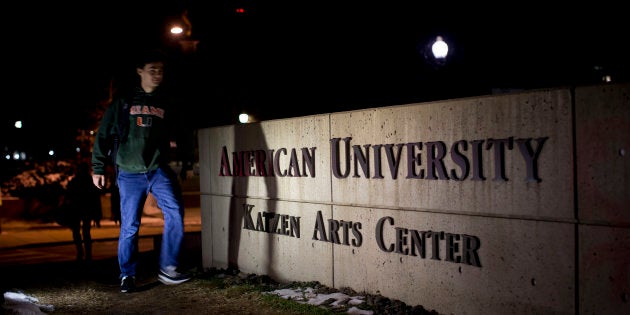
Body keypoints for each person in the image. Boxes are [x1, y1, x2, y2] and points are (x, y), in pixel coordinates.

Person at [91, 49, 194, 293]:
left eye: (161, 70)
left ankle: (168, 268)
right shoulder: (123, 103)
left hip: (157, 169)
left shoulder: (166, 102)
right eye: (152, 70)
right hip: (129, 172)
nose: (158, 74)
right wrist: (98, 167)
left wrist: (185, 159)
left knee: (176, 215)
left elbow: (180, 133)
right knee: (130, 225)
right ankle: (127, 274)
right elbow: (103, 135)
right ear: (140, 71)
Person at [65, 161, 103, 262]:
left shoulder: (75, 181)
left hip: (78, 210)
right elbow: (96, 200)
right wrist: (97, 216)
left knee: (78, 232)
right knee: (85, 232)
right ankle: (86, 253)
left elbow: (68, 197)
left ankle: (81, 252)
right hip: (84, 210)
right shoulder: (89, 181)